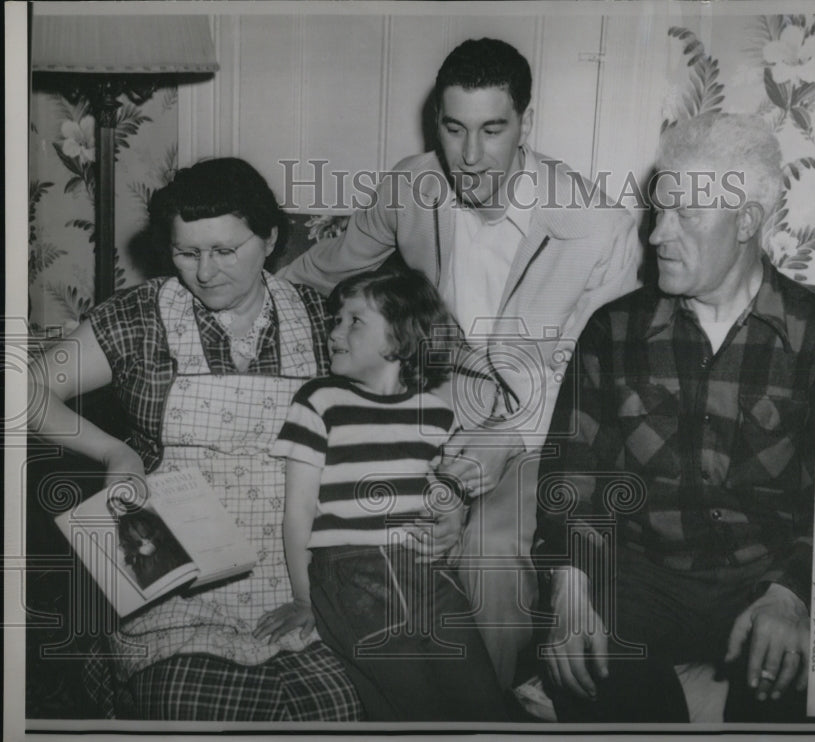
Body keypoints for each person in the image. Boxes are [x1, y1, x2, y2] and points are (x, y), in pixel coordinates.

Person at [280, 37, 643, 688]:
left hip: (547, 425)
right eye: (454, 128)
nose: (470, 156)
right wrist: (240, 295)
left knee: (487, 551)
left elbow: (601, 373)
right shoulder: (412, 186)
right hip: (439, 412)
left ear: (524, 124)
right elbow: (318, 269)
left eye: (492, 129)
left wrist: (512, 438)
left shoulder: (598, 225)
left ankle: (488, 714)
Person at [27, 158, 362, 721]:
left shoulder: (323, 317)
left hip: (300, 580)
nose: (205, 273)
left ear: (270, 238)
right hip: (170, 583)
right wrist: (115, 450)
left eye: (226, 251)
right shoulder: (140, 316)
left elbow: (402, 402)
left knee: (335, 710)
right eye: (187, 253)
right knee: (193, 709)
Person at [535, 113, 815, 722]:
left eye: (685, 215)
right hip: (644, 577)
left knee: (795, 694)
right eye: (657, 213)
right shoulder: (613, 330)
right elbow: (573, 472)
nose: (658, 236)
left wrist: (794, 593)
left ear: (745, 221)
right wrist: (571, 584)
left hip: (766, 575)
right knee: (585, 679)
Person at [256, 268, 509, 721]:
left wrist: (451, 511)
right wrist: (302, 596)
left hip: (429, 576)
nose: (335, 331)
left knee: (484, 706)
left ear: (400, 338)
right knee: (414, 709)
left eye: (355, 321)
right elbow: (298, 512)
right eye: (336, 320)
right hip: (352, 575)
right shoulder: (319, 400)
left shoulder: (436, 414)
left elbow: (444, 496)